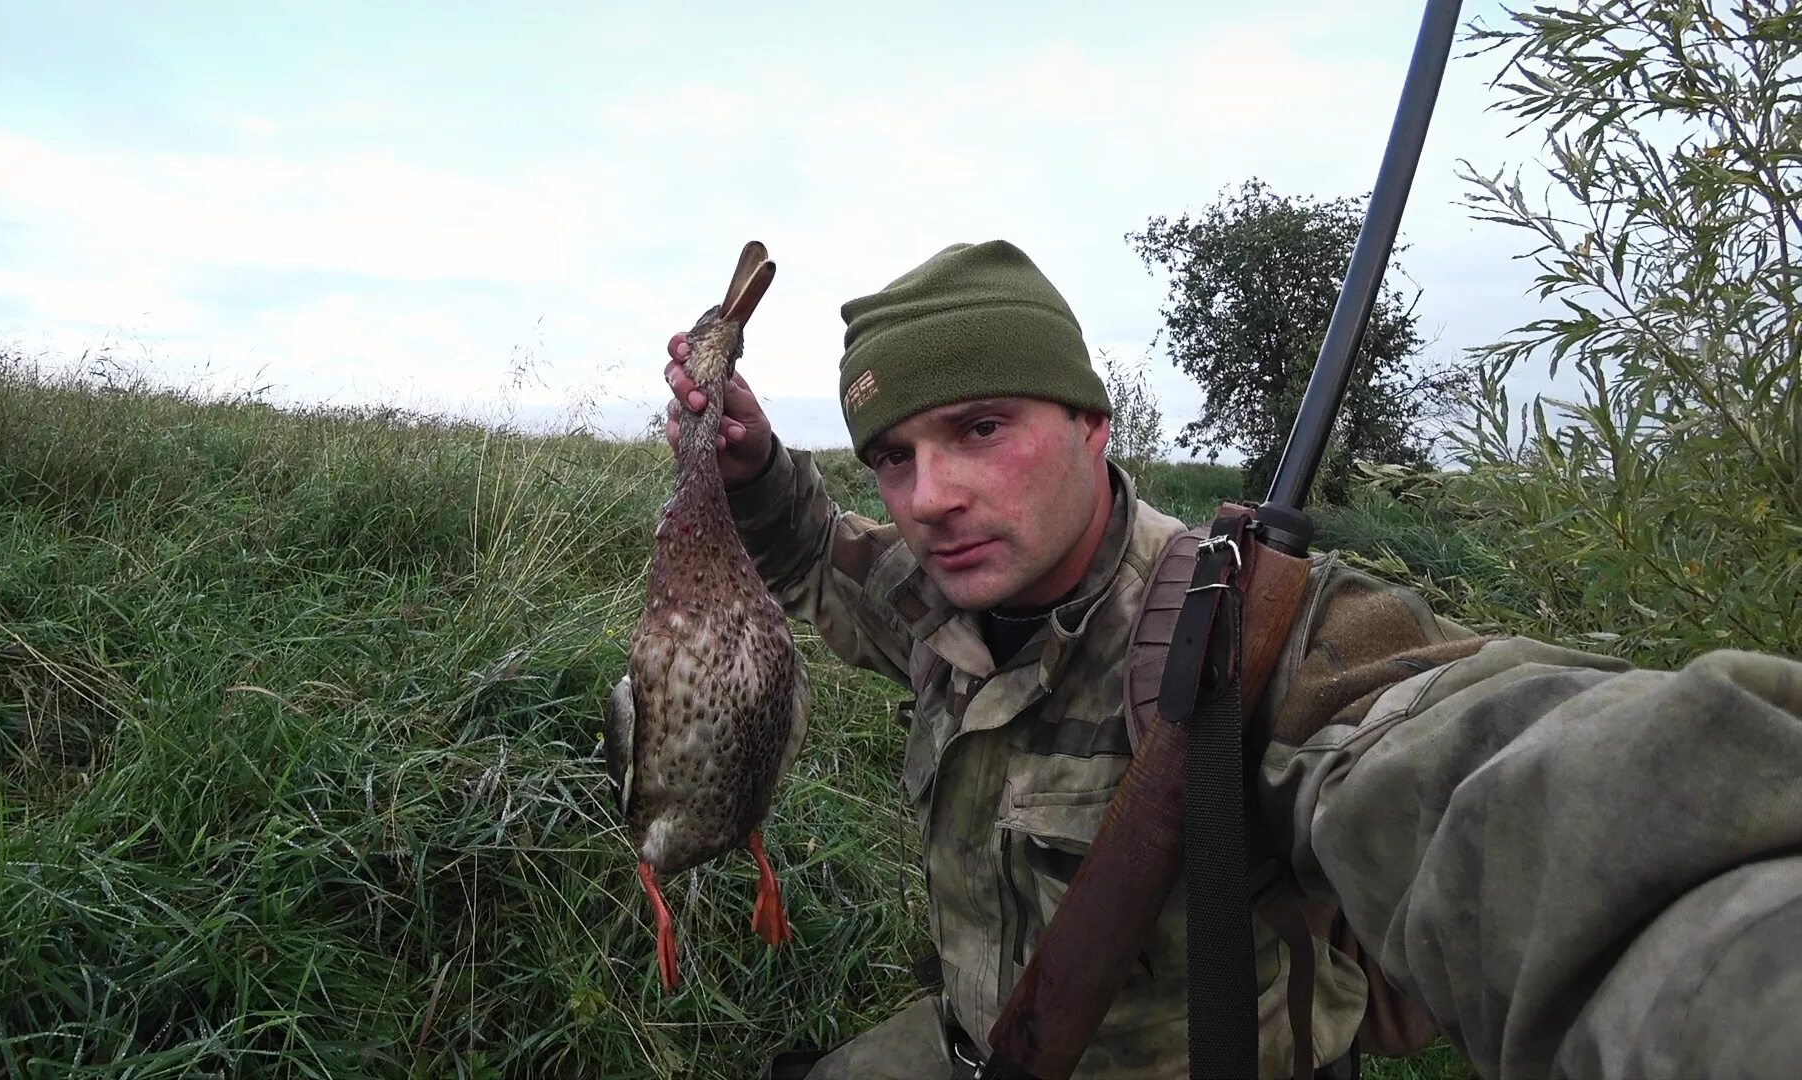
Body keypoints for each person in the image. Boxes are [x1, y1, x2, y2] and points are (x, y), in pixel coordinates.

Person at [660, 239, 1802, 1080]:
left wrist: (1729, 960)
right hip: (975, 1047)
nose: (930, 497)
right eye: (894, 457)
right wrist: (753, 468)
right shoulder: (935, 598)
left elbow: (1512, 784)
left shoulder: (1270, 638)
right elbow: (819, 559)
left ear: (1093, 426)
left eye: (980, 429)